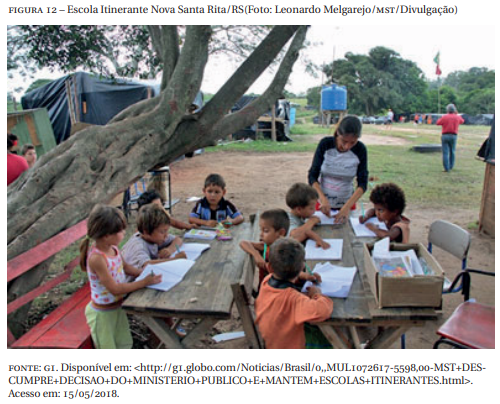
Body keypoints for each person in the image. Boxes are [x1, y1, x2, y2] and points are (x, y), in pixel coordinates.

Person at [80, 204, 162, 349]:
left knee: (124, 344)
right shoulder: (97, 258)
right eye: (121, 230)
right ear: (107, 235)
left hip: (117, 308)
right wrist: (144, 282)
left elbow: (127, 268)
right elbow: (115, 289)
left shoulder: (113, 249)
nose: (124, 232)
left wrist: (148, 273)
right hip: (102, 315)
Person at [255, 238, 333, 349]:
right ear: (302, 267)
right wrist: (317, 294)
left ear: (270, 267)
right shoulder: (294, 299)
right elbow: (323, 310)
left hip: (272, 340)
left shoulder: (266, 281)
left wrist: (304, 277)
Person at [308, 115, 369, 223]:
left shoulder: (360, 150)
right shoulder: (325, 144)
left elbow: (363, 183)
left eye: (352, 142)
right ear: (338, 133)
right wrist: (322, 199)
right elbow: (312, 175)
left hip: (347, 203)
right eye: (344, 141)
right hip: (322, 203)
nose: (347, 147)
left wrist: (346, 208)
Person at [122, 204, 186, 270]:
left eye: (166, 231)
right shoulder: (138, 246)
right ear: (146, 232)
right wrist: (175, 259)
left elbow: (177, 239)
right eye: (162, 232)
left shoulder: (153, 238)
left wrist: (170, 249)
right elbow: (147, 265)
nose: (166, 235)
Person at [286, 183, 330, 249]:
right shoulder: (289, 220)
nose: (315, 211)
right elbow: (295, 237)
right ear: (299, 209)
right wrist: (311, 221)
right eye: (311, 208)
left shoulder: (302, 216)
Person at [437, 104, 465, 172]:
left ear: (447, 110)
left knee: (445, 152)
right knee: (452, 151)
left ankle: (446, 168)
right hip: (453, 136)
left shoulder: (445, 117)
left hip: (445, 135)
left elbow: (438, 123)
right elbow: (462, 121)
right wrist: (456, 113)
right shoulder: (457, 117)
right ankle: (451, 166)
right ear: (454, 110)